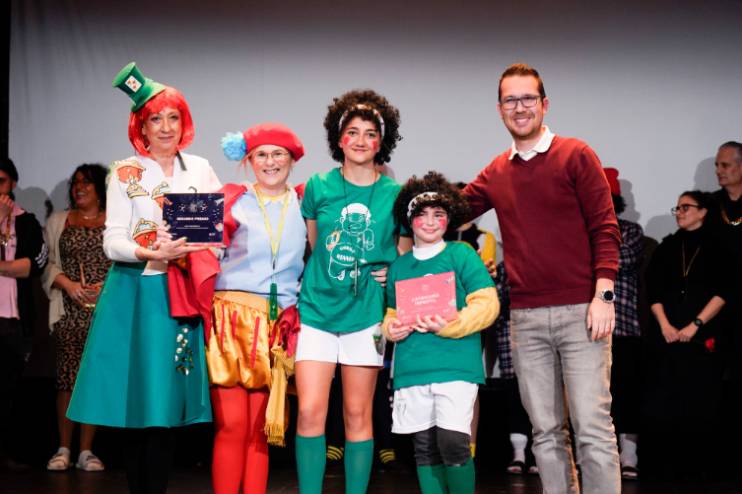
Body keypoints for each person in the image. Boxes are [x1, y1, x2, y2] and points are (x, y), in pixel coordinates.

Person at [463, 63, 622, 493]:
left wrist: (603, 295)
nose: (520, 108)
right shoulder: (497, 171)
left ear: (544, 104)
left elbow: (605, 228)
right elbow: (449, 210)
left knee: (592, 427)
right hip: (527, 319)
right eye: (510, 100)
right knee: (545, 434)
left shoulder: (576, 154)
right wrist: (399, 201)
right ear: (500, 109)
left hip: (582, 313)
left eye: (528, 98)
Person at [66, 62, 221, 494]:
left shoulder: (201, 170)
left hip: (180, 294)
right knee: (139, 405)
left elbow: (216, 232)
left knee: (165, 406)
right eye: (156, 119)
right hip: (135, 292)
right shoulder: (124, 171)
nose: (166, 127)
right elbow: (112, 241)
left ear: (184, 122)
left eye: (173, 117)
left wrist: (204, 250)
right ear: (142, 126)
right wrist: (153, 252)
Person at [295, 89, 411, 494]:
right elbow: (315, 245)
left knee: (357, 414)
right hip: (317, 312)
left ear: (382, 142)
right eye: (353, 132)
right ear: (339, 138)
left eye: (370, 133)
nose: (361, 140)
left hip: (367, 317)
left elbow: (404, 257)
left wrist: (390, 274)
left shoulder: (395, 194)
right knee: (309, 411)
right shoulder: (318, 186)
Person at [203, 123, 306, 494]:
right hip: (231, 318)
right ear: (248, 160)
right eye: (261, 154)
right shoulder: (231, 199)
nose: (270, 161)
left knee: (260, 430)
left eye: (279, 154)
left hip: (278, 323)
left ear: (292, 160)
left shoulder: (305, 203)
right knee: (232, 425)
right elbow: (200, 253)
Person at [383, 171, 499, 494]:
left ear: (449, 218)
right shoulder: (399, 267)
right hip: (413, 368)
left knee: (453, 443)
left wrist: (451, 324)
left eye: (438, 214)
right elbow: (391, 313)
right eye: (422, 214)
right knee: (424, 449)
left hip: (455, 365)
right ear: (410, 220)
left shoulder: (461, 254)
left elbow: (487, 303)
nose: (431, 222)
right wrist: (391, 328)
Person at [643, 190, 730, 478]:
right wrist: (665, 325)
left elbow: (724, 291)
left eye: (685, 207)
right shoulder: (668, 246)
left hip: (701, 335)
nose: (679, 212)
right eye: (677, 208)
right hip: (667, 335)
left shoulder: (718, 246)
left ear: (703, 211)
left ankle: (697, 468)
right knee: (663, 399)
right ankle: (663, 467)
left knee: (699, 400)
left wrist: (695, 325)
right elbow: (653, 289)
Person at [43, 163, 111, 472]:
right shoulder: (59, 221)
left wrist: (105, 289)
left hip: (105, 312)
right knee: (67, 379)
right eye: (75, 183)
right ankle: (63, 449)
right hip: (69, 311)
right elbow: (47, 265)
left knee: (94, 379)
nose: (79, 188)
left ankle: (86, 451)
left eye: (87, 182)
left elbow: (125, 264)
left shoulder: (115, 221)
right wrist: (69, 285)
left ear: (100, 188)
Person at [0, 157, 47, 470]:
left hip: (14, 321)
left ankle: (4, 453)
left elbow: (34, 265)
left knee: (8, 390)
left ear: (13, 183)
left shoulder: (26, 221)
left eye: (1, 181)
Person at [601, 167, 644, 480]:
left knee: (627, 392)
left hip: (624, 325)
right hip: (588, 327)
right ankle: (598, 456)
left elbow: (623, 260)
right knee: (594, 396)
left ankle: (629, 454)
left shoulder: (629, 230)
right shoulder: (578, 229)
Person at [709, 141, 742, 480]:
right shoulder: (711, 205)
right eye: (717, 165)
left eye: (726, 165)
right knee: (719, 382)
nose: (719, 171)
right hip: (716, 308)